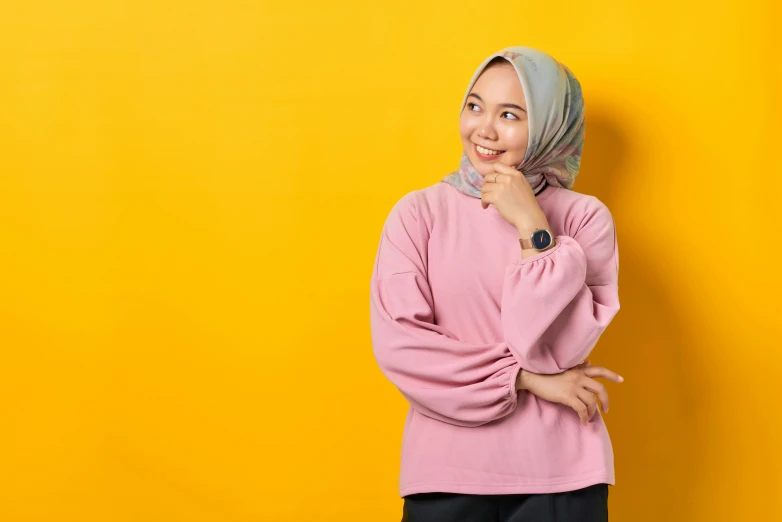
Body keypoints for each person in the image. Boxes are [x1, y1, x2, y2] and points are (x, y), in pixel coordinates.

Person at [369, 46, 624, 522]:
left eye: (510, 114)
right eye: (474, 106)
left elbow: (552, 350)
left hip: (562, 473)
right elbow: (402, 348)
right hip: (446, 472)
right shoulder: (418, 215)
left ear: (550, 124)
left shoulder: (585, 218)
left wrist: (533, 228)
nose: (484, 129)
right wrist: (524, 380)